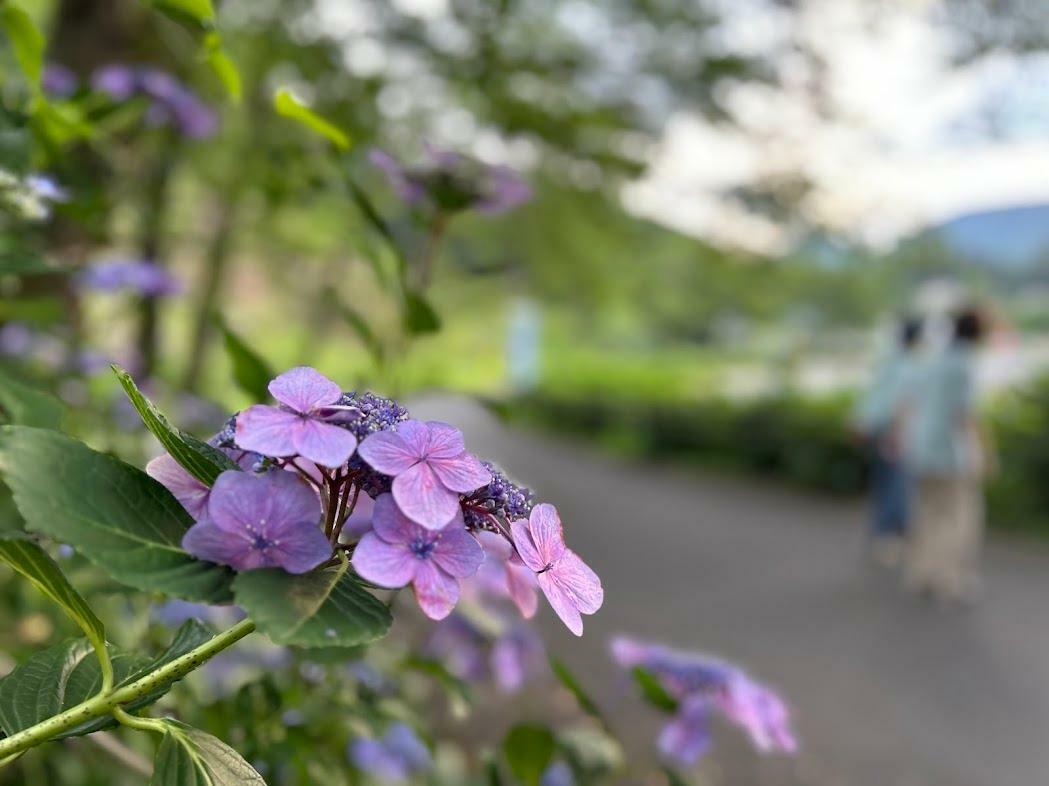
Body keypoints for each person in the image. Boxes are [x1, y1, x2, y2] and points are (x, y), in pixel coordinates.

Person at [903, 306, 994, 601]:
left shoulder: (935, 359)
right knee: (957, 517)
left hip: (920, 446)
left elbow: (913, 400)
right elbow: (965, 414)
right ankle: (949, 580)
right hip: (950, 452)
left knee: (926, 512)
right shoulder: (964, 364)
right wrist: (987, 452)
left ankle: (922, 574)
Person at [854, 317, 922, 566]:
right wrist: (896, 433)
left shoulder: (890, 362)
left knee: (883, 484)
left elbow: (873, 394)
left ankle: (884, 537)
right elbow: (900, 402)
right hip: (894, 433)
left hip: (876, 428)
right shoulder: (910, 366)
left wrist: (860, 420)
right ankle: (889, 539)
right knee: (896, 485)